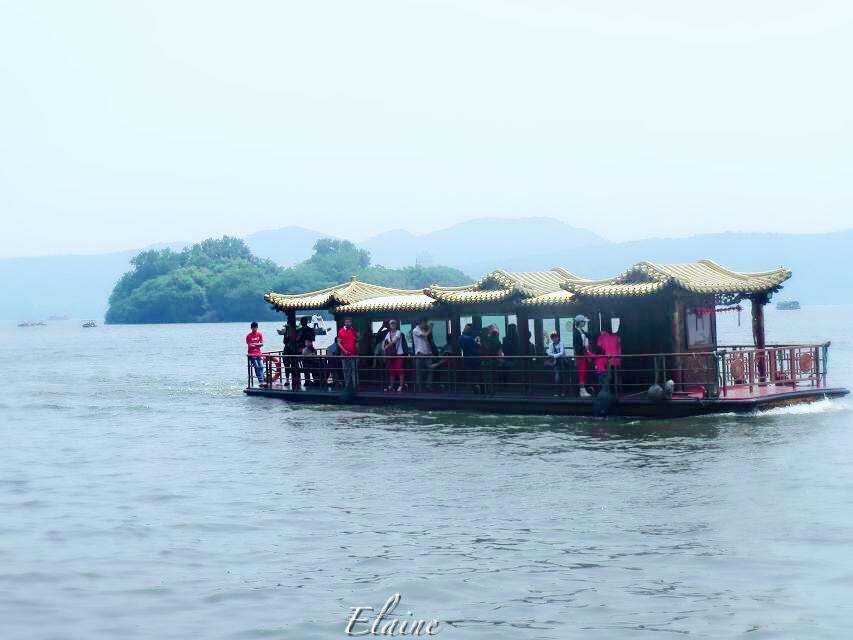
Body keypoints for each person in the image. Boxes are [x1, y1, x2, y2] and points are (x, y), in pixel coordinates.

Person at [382, 319, 407, 391]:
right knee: (392, 370)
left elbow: (394, 341)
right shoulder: (388, 333)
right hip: (391, 355)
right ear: (389, 325)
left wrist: (386, 347)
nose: (392, 325)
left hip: (399, 354)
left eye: (394, 324)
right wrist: (383, 348)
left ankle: (401, 385)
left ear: (396, 325)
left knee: (400, 370)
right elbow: (384, 341)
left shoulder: (398, 332)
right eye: (391, 324)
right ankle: (391, 385)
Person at [411, 319, 434, 391]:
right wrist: (430, 328)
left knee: (430, 370)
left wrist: (430, 352)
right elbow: (425, 335)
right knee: (419, 372)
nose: (426, 325)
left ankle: (428, 386)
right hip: (420, 354)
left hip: (427, 354)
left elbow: (427, 341)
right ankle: (419, 388)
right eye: (425, 323)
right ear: (421, 323)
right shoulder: (415, 330)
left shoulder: (424, 329)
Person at [337, 317, 359, 389]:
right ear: (344, 323)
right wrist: (345, 351)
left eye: (349, 322)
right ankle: (347, 386)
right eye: (346, 322)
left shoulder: (354, 331)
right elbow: (339, 343)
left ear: (351, 322)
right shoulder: (340, 331)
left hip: (354, 355)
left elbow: (356, 342)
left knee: (354, 371)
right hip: (344, 355)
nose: (348, 323)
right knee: (346, 371)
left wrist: (357, 352)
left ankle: (355, 386)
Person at [459, 323, 481, 393]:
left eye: (466, 328)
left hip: (467, 358)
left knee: (469, 374)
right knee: (475, 375)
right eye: (466, 328)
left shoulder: (461, 338)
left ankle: (471, 388)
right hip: (474, 359)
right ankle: (475, 388)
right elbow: (479, 345)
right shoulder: (471, 338)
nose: (466, 329)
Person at [544, 331, 569, 396]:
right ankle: (558, 392)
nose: (554, 338)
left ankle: (564, 392)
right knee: (557, 378)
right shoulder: (551, 344)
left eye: (555, 337)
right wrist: (556, 355)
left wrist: (554, 355)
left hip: (562, 362)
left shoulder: (561, 344)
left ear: (558, 338)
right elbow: (549, 353)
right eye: (553, 337)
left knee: (563, 377)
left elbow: (561, 352)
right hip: (556, 363)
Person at [573, 315, 591, 397]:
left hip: (583, 355)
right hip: (580, 355)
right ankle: (582, 390)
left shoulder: (581, 331)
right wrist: (584, 350)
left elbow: (589, 335)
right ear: (579, 322)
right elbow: (576, 346)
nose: (585, 323)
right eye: (583, 322)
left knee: (583, 372)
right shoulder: (576, 332)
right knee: (581, 372)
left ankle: (583, 390)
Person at [246, 321, 265, 386]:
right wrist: (258, 344)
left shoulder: (259, 334)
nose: (255, 329)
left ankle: (262, 380)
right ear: (251, 328)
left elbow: (262, 344)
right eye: (253, 328)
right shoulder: (248, 335)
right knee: (256, 367)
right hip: (252, 354)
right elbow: (250, 345)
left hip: (258, 353)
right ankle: (261, 381)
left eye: (256, 327)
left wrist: (255, 344)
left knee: (261, 366)